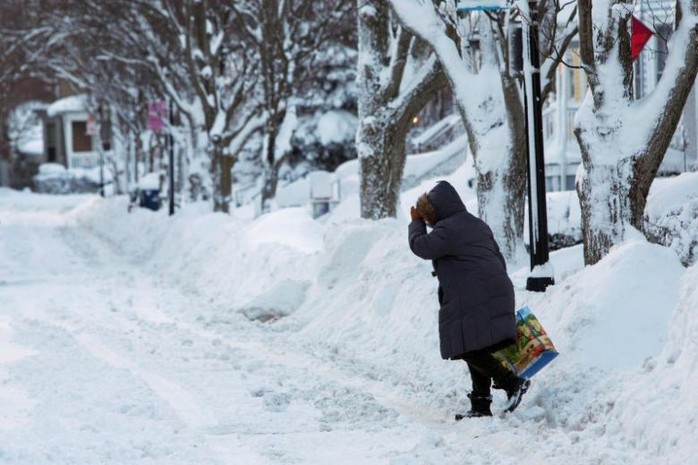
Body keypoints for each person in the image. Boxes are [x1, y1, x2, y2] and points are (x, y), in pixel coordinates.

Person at [408, 180, 529, 419]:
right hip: (496, 290)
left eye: (428, 214)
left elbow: (421, 246)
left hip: (476, 294)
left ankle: (512, 383)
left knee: (467, 348)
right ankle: (481, 404)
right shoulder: (476, 224)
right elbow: (497, 257)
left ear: (436, 211)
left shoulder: (448, 230)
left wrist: (415, 223)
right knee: (476, 345)